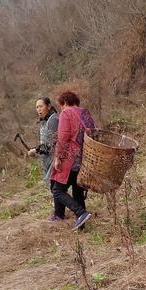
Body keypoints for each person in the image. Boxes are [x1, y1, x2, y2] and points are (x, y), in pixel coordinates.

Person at [49, 90, 95, 230]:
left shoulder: (66, 113)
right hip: (85, 157)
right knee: (77, 190)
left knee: (57, 190)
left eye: (61, 105)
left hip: (70, 158)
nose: (61, 108)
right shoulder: (85, 113)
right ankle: (82, 225)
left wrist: (58, 158)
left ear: (64, 102)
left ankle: (81, 213)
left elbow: (63, 138)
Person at [27, 96, 62, 221]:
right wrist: (37, 150)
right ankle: (59, 213)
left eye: (41, 106)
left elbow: (51, 144)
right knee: (55, 187)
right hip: (48, 159)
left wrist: (35, 150)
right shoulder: (44, 121)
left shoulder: (53, 120)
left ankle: (59, 214)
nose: (38, 109)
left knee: (56, 188)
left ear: (48, 106)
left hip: (55, 158)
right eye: (36, 107)